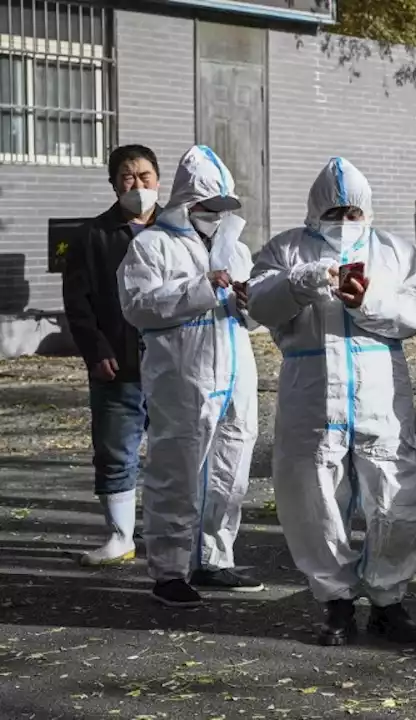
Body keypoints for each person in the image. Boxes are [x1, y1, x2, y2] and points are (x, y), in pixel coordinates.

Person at [247, 157, 416, 646]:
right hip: (311, 391)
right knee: (313, 500)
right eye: (334, 212)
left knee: (400, 498)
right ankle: (336, 603)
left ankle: (388, 600)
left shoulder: (393, 251)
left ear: (367, 210)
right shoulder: (286, 249)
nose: (344, 221)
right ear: (314, 211)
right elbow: (258, 304)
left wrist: (366, 301)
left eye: (352, 212)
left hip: (381, 393)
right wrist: (299, 284)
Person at [117, 144, 262, 607]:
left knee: (230, 469)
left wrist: (248, 302)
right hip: (182, 377)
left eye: (221, 206)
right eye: (205, 206)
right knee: (176, 472)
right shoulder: (150, 246)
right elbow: (139, 307)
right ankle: (170, 570)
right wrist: (202, 288)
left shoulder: (236, 250)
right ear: (185, 203)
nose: (214, 214)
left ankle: (215, 557)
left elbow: (256, 315)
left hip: (237, 372)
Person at [62, 145, 161, 566]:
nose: (137, 185)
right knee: (116, 448)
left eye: (145, 177)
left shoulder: (179, 229)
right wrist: (94, 351)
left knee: (177, 450)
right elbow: (77, 302)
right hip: (118, 360)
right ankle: (121, 536)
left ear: (159, 179)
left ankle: (171, 532)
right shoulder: (92, 236)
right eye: (127, 177)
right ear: (113, 183)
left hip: (173, 362)